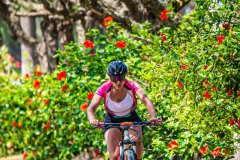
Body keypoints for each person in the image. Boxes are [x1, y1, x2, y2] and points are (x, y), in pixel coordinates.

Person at [87, 61, 157, 160]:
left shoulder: (132, 85)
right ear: (109, 77)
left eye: (122, 78)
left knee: (138, 141)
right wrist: (92, 119)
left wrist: (153, 116)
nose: (118, 82)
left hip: (131, 117)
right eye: (115, 79)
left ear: (125, 76)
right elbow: (91, 108)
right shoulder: (104, 88)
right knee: (115, 156)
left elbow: (145, 99)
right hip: (112, 120)